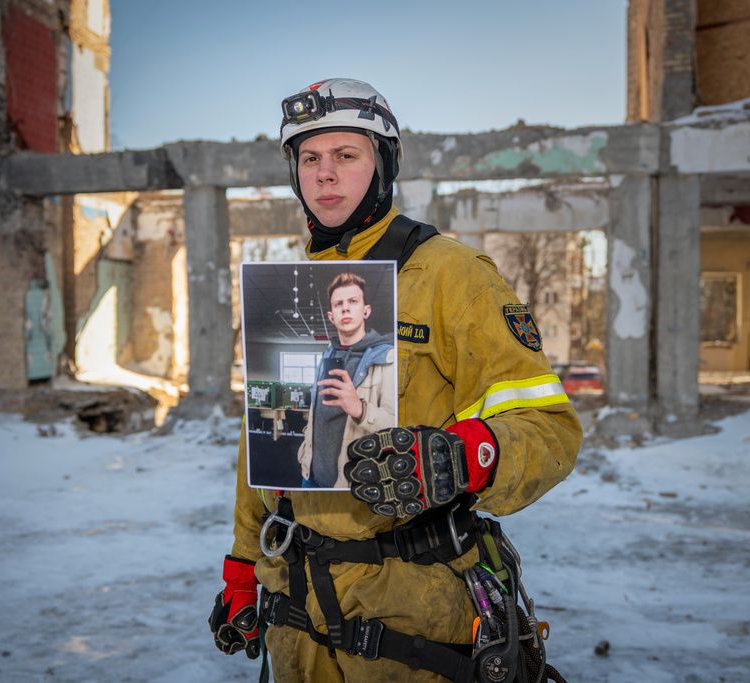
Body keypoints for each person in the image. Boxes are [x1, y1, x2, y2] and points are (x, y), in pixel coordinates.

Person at [209, 78, 583, 683]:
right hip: (297, 611)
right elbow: (267, 442)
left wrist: (465, 456)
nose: (324, 174)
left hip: (410, 617)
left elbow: (548, 428)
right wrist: (245, 566)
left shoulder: (451, 276)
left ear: (383, 165)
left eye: (345, 155)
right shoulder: (291, 291)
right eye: (309, 158)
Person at [297, 272, 396, 489]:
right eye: (339, 303)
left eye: (353, 301)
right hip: (309, 476)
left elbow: (397, 429)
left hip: (351, 486)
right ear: (332, 316)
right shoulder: (327, 356)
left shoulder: (387, 358)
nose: (345, 308)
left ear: (365, 310)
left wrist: (360, 409)